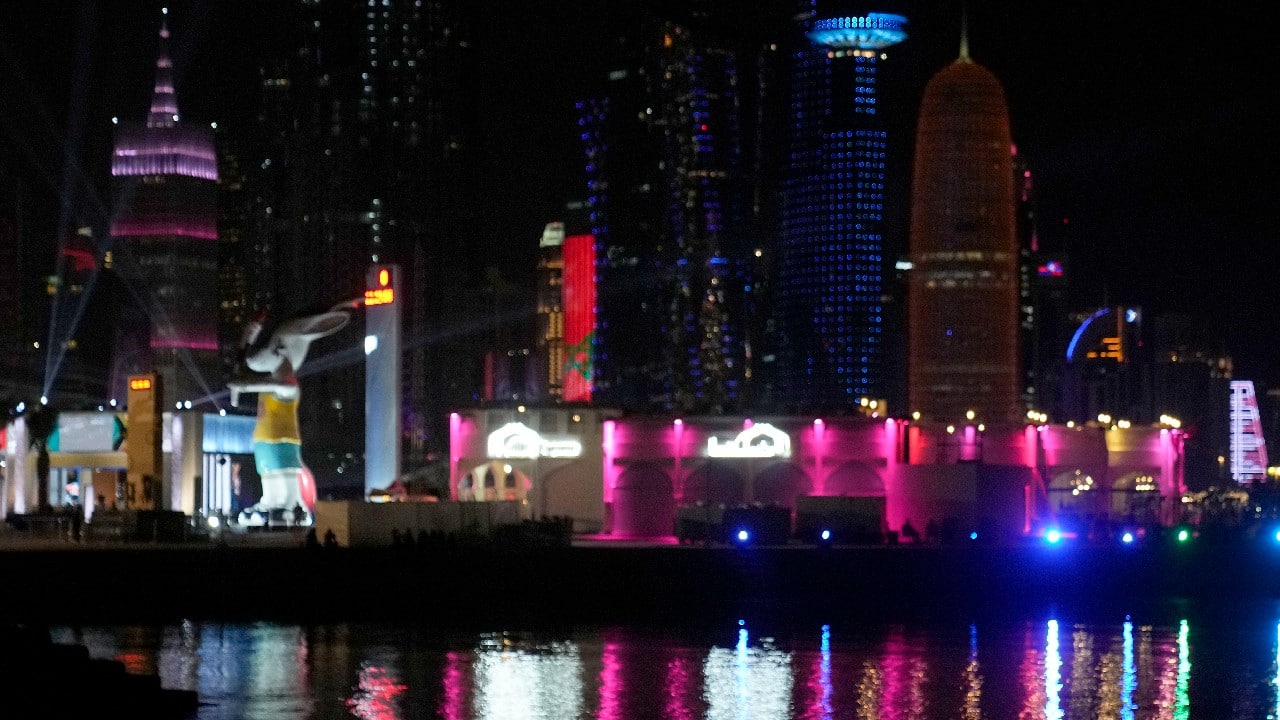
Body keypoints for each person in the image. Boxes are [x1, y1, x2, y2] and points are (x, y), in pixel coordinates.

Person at [227, 308, 350, 524]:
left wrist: (244, 385)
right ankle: (269, 502)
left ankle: (292, 505)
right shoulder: (268, 383)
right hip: (263, 439)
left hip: (284, 438)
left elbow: (276, 387)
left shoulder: (289, 384)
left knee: (284, 474)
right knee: (268, 475)